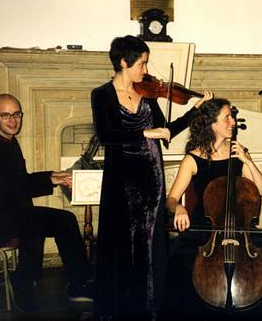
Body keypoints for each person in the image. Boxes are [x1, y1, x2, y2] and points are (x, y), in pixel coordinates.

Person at [90, 35, 212, 320]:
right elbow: (106, 135)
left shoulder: (146, 93)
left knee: (148, 241)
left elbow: (166, 130)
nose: (145, 69)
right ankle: (123, 307)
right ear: (123, 62)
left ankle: (149, 305)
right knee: (121, 241)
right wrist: (144, 133)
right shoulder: (102, 94)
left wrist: (194, 111)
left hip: (150, 177)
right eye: (141, 63)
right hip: (121, 179)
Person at [162, 99, 262, 320]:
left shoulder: (238, 155)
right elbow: (170, 199)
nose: (233, 122)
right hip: (204, 232)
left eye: (232, 116)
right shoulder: (193, 158)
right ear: (211, 124)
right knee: (178, 265)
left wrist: (248, 162)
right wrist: (180, 207)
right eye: (227, 118)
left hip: (241, 231)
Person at [0, 93, 93, 308]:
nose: (13, 120)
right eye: (6, 115)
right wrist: (50, 179)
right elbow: (8, 189)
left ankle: (26, 282)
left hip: (6, 214)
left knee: (39, 222)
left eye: (17, 114)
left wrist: (54, 175)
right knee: (63, 220)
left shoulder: (7, 142)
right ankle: (76, 284)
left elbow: (18, 182)